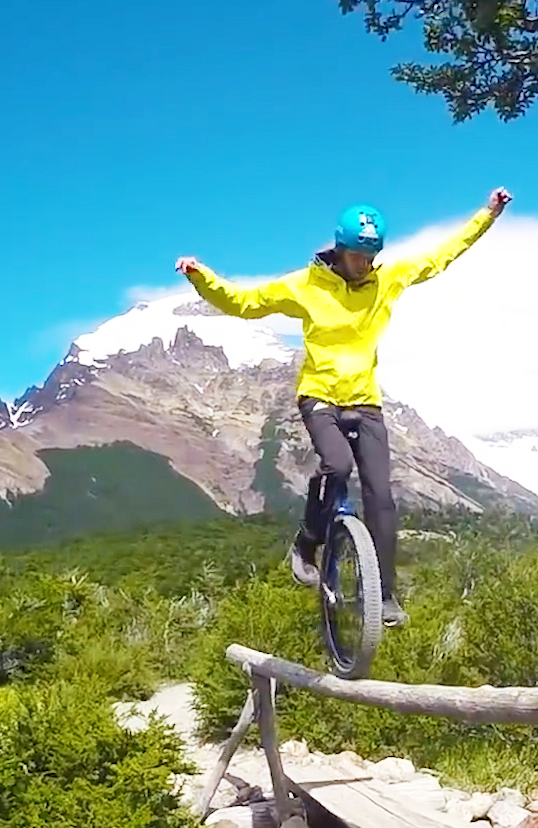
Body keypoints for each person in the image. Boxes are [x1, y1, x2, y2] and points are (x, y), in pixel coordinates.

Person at [175, 187, 511, 629]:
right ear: (340, 248)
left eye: (372, 256)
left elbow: (442, 255)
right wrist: (202, 278)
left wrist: (487, 214)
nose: (365, 265)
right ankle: (307, 540)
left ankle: (385, 594)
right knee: (336, 466)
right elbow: (245, 303)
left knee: (382, 497)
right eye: (358, 256)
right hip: (320, 396)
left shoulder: (387, 279)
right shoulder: (305, 285)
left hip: (366, 401)